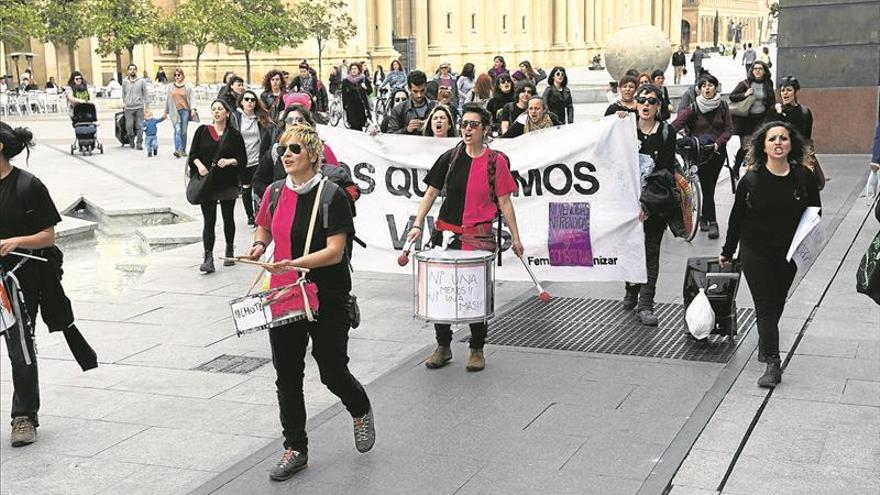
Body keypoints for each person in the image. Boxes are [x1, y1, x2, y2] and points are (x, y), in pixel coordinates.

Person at [244, 125, 375, 480]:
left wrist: (295, 262)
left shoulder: (333, 196)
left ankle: (360, 407)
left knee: (331, 369)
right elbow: (264, 227)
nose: (286, 154)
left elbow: (335, 253)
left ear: (313, 156)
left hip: (327, 294)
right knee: (287, 374)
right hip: (285, 293)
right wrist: (259, 245)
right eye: (282, 149)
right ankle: (295, 447)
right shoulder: (273, 192)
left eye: (295, 149)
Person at [1, 123, 98, 448]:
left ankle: (23, 415)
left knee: (21, 348)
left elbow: (48, 236)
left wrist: (16, 242)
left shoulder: (28, 186)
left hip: (19, 278)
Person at [407, 103, 524, 371]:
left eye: (473, 124)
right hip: (447, 234)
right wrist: (416, 225)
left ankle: (476, 348)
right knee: (441, 291)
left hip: (478, 236)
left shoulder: (496, 162)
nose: (467, 129)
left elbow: (505, 202)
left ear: (485, 129)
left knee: (475, 293)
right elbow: (431, 193)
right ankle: (443, 346)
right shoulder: (450, 158)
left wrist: (516, 237)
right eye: (464, 124)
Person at [720, 121, 821, 387]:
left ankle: (766, 344)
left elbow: (815, 212)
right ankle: (773, 363)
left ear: (791, 145)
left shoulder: (803, 177)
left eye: (783, 139)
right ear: (763, 146)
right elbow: (736, 218)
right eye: (772, 139)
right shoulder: (751, 180)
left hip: (788, 253)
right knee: (765, 306)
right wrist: (728, 251)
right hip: (755, 250)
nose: (778, 143)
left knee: (777, 302)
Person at [618, 84, 677, 326]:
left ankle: (646, 303)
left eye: (652, 101)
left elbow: (665, 172)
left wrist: (647, 204)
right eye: (642, 100)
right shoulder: (625, 127)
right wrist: (618, 118)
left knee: (651, 253)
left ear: (658, 106)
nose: (646, 104)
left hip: (654, 203)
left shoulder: (666, 132)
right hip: (626, 204)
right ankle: (632, 290)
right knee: (630, 251)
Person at [187, 100, 247, 273]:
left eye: (220, 109)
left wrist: (229, 161)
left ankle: (229, 250)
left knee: (228, 218)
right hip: (208, 183)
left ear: (227, 113)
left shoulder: (234, 135)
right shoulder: (202, 131)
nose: (216, 112)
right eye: (213, 109)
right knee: (209, 221)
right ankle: (208, 257)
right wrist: (199, 165)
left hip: (227, 182)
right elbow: (193, 155)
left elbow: (242, 160)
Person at [671, 74, 733, 239]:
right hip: (700, 153)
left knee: (709, 187)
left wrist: (717, 143)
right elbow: (677, 124)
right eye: (703, 85)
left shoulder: (723, 106)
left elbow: (728, 129)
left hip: (718, 152)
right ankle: (713, 223)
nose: (707, 88)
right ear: (699, 89)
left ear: (715, 87)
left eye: (710, 85)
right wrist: (664, 134)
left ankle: (705, 218)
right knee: (707, 187)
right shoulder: (694, 107)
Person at [234, 89, 276, 226]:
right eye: (246, 99)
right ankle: (250, 215)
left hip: (259, 159)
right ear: (241, 102)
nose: (250, 102)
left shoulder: (261, 117)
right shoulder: (235, 118)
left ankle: (260, 213)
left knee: (258, 187)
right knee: (246, 187)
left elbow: (270, 131)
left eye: (252, 100)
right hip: (243, 159)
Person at [730, 61, 775, 177]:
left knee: (760, 144)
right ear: (752, 71)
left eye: (760, 68)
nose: (758, 71)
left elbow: (772, 102)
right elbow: (732, 97)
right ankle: (737, 166)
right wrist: (744, 94)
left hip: (762, 118)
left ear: (765, 71)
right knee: (746, 146)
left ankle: (757, 169)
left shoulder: (768, 84)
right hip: (746, 120)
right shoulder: (745, 83)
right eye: (755, 68)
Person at [386, 70, 435, 135]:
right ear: (409, 89)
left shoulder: (435, 106)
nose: (419, 95)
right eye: (415, 91)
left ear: (426, 87)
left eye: (422, 91)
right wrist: (407, 129)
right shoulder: (398, 110)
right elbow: (391, 135)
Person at [164, 68, 197, 158]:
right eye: (175, 75)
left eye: (179, 75)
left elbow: (192, 98)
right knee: (177, 130)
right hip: (174, 111)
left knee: (183, 131)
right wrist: (165, 111)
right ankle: (177, 150)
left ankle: (183, 149)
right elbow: (167, 100)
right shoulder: (170, 87)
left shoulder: (188, 87)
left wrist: (193, 109)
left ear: (182, 75)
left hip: (185, 111)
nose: (177, 77)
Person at [122, 64, 147, 150]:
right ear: (128, 71)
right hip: (128, 108)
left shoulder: (141, 81)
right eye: (130, 69)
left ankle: (139, 143)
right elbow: (123, 93)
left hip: (139, 107)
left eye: (134, 69)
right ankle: (131, 139)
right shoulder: (124, 82)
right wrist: (125, 102)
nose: (132, 71)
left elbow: (145, 93)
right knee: (129, 126)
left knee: (139, 126)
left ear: (136, 71)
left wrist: (145, 105)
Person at [340, 63, 372, 132]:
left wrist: (365, 87)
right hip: (351, 107)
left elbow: (370, 91)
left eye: (355, 69)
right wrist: (345, 107)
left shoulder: (363, 79)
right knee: (353, 126)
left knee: (361, 125)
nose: (353, 70)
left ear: (359, 70)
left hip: (362, 106)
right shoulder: (346, 81)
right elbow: (344, 95)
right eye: (352, 69)